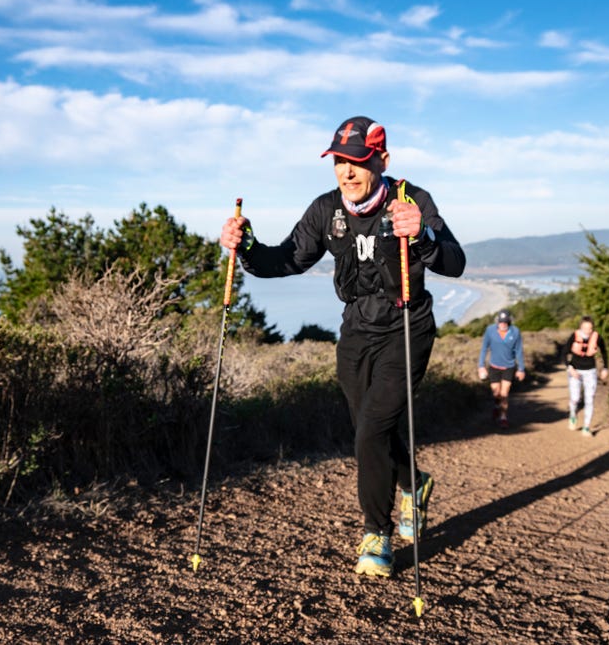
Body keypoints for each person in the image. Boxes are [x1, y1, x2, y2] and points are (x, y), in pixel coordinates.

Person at [219, 116, 465, 578]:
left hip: (407, 328)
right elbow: (286, 258)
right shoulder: (325, 210)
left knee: (371, 429)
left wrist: (425, 236)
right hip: (354, 333)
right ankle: (415, 482)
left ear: (381, 160)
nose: (347, 172)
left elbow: (455, 262)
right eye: (338, 162)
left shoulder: (412, 201)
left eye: (357, 161)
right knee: (370, 431)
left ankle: (377, 532)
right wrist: (246, 244)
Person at [477, 309, 526, 429]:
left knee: (505, 393)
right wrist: (481, 366)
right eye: (501, 322)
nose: (502, 324)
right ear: (497, 321)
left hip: (509, 367)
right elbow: (484, 349)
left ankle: (503, 418)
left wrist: (521, 369)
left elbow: (519, 351)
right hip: (494, 366)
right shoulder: (490, 330)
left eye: (505, 322)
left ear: (509, 321)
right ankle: (497, 406)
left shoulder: (515, 332)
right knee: (496, 393)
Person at [561, 316, 609, 437]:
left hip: (590, 372)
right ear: (580, 327)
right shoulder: (574, 336)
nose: (588, 331)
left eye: (590, 328)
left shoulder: (597, 337)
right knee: (575, 398)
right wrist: (569, 367)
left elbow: (604, 352)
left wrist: (605, 368)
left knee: (589, 399)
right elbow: (564, 353)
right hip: (575, 371)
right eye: (585, 328)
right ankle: (573, 415)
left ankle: (586, 427)